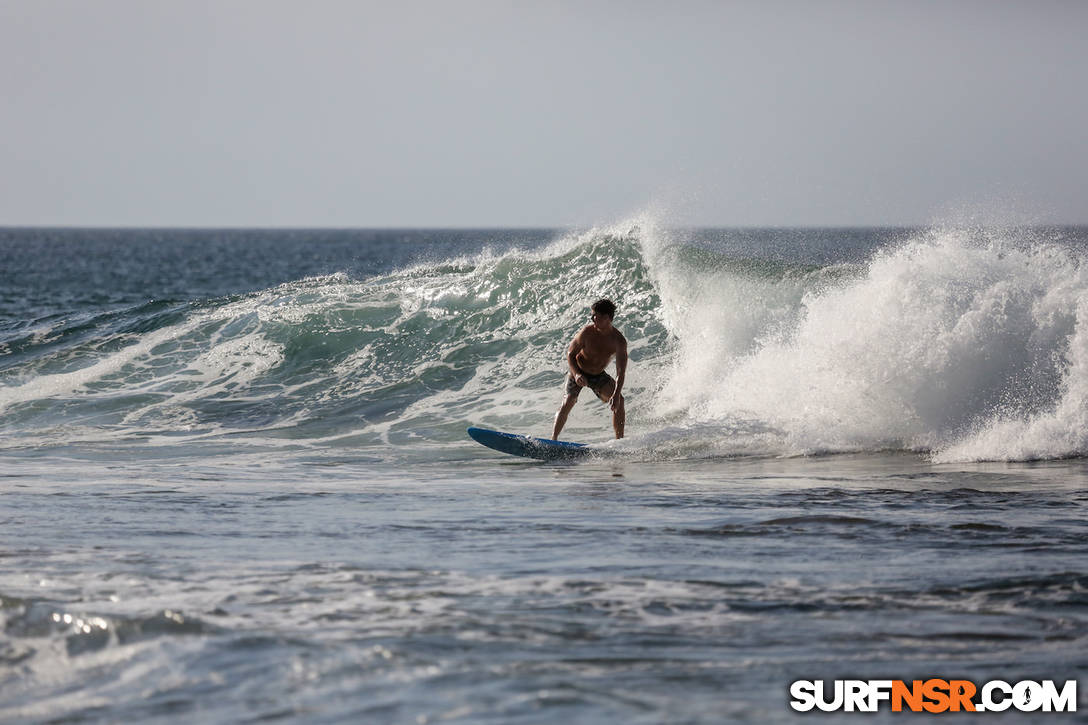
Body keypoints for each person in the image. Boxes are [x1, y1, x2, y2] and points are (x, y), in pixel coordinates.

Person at [552, 299, 628, 440]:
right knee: (568, 401)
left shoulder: (619, 341)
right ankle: (553, 439)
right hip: (579, 370)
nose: (592, 318)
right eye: (592, 315)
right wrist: (577, 374)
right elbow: (570, 354)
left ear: (606, 318)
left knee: (620, 401)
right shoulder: (587, 332)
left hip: (598, 375)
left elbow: (621, 372)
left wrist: (616, 394)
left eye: (595, 315)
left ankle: (620, 441)